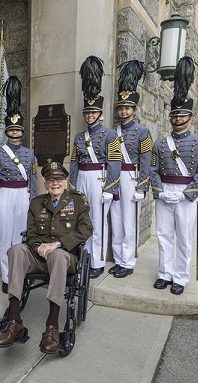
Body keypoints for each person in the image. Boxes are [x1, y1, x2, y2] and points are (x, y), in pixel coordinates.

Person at [0, 161, 92, 354]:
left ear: (65, 181)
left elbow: (86, 229)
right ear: (45, 184)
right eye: (50, 180)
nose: (55, 183)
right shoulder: (37, 203)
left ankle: (52, 326)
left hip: (65, 257)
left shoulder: (78, 200)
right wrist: (38, 246)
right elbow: (30, 233)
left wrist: (58, 244)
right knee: (16, 249)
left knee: (57, 255)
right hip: (39, 256)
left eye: (59, 179)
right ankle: (15, 321)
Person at [151, 56, 198, 295]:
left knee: (184, 238)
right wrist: (159, 190)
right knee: (163, 235)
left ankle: (180, 276)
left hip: (187, 194)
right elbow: (154, 169)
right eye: (175, 116)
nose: (178, 119)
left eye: (182, 116)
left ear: (190, 117)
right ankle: (164, 273)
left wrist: (190, 193)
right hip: (165, 191)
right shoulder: (160, 143)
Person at [69, 56, 121, 279]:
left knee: (98, 221)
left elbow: (115, 163)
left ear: (100, 113)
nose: (90, 115)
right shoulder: (79, 137)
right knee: (82, 220)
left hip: (100, 180)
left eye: (93, 112)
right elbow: (73, 162)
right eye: (87, 113)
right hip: (82, 179)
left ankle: (98, 261)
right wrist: (72, 183)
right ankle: (84, 256)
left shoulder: (110, 135)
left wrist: (110, 188)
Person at [0, 76, 37, 294]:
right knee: (5, 236)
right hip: (5, 194)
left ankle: (20, 274)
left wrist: (33, 198)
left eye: (18, 130)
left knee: (21, 236)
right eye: (12, 130)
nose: (15, 133)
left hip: (23, 194)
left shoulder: (29, 153)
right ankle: (7, 277)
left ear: (22, 132)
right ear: (6, 131)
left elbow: (33, 179)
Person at [110, 60, 152, 278]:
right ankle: (118, 259)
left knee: (129, 221)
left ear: (134, 110)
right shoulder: (112, 132)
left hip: (131, 178)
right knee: (116, 219)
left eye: (127, 108)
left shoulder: (143, 132)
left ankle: (128, 262)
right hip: (115, 179)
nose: (123, 111)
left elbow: (147, 161)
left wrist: (142, 187)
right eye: (121, 108)